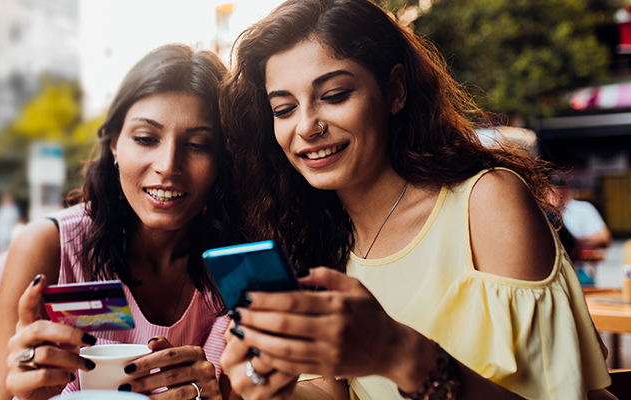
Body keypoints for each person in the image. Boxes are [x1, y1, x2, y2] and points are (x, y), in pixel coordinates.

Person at [219, 0, 610, 399]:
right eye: (283, 109)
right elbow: (326, 390)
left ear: (395, 91)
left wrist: (398, 353)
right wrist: (271, 388)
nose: (306, 126)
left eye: (335, 95)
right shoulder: (314, 233)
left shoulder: (486, 202)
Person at [0, 43, 242, 400]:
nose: (168, 165)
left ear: (222, 161)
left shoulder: (238, 264)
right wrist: (23, 393)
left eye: (198, 144)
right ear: (115, 144)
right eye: (146, 138)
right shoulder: (49, 246)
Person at [549, 172, 611, 284]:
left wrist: (575, 241)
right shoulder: (543, 211)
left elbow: (604, 239)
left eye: (560, 193)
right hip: (551, 271)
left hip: (578, 270)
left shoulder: (583, 209)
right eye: (554, 192)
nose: (557, 197)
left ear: (568, 189)